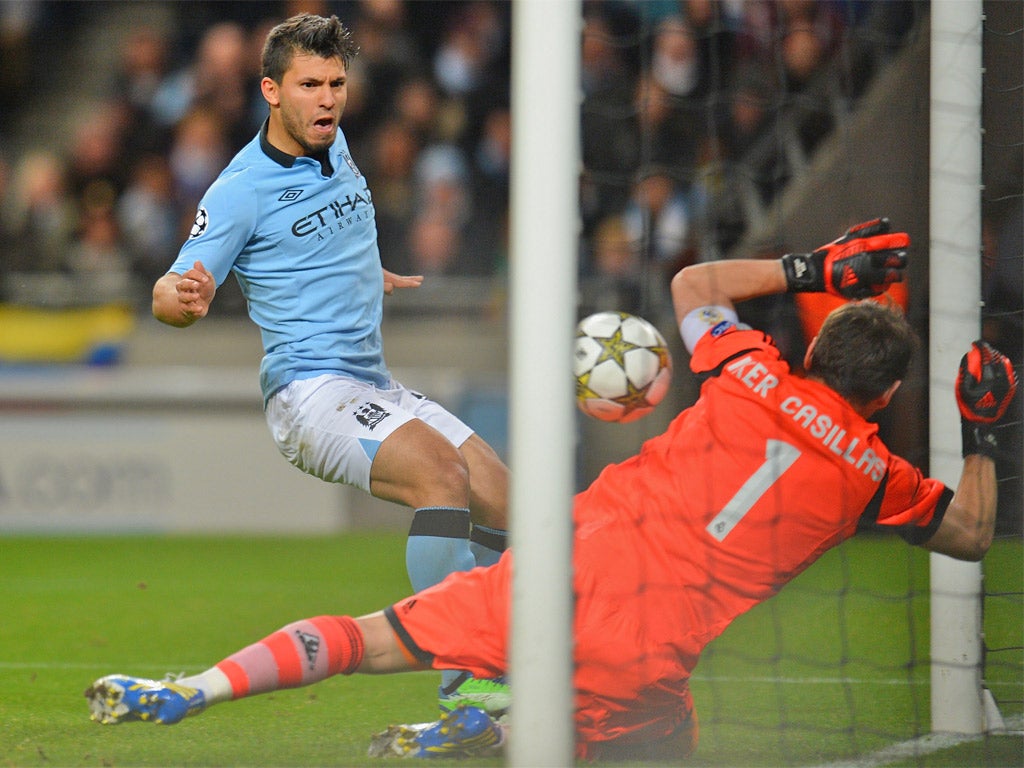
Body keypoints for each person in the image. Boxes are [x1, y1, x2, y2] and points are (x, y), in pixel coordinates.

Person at [86, 219, 1017, 761]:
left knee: (365, 639)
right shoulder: (878, 478)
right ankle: (502, 727)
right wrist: (981, 428)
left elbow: (694, 279)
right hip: (652, 645)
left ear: (810, 349)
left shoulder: (746, 367)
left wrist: (813, 270)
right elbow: (973, 531)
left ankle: (195, 690)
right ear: (888, 399)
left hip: (563, 570)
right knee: (639, 732)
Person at [146, 13, 510, 712]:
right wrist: (179, 298)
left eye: (337, 83)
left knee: (505, 495)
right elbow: (172, 289)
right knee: (443, 476)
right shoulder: (239, 189)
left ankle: (506, 651)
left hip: (372, 379)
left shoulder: (336, 145)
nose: (328, 99)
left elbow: (326, 230)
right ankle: (465, 669)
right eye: (309, 85)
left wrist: (365, 272)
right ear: (271, 91)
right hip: (309, 393)